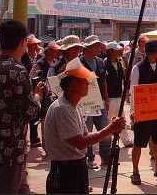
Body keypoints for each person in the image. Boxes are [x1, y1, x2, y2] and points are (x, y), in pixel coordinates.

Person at [43, 57, 125, 194]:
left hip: (75, 169)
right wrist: (109, 129)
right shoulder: (62, 108)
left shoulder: (73, 106)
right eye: (84, 80)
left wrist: (111, 128)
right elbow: (80, 142)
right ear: (73, 85)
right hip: (65, 172)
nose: (88, 83)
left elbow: (85, 136)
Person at [0, 20, 42, 194]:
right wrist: (37, 96)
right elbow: (31, 111)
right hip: (10, 151)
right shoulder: (17, 70)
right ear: (22, 42)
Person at [130, 39, 157, 185]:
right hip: (143, 113)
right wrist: (133, 110)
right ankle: (135, 172)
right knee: (139, 143)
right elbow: (133, 89)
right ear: (153, 52)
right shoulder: (138, 68)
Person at [80, 35, 111, 169]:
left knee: (104, 127)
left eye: (98, 45)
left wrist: (106, 98)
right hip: (85, 102)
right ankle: (89, 158)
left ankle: (106, 156)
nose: (97, 48)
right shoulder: (79, 63)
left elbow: (104, 80)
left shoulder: (100, 61)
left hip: (99, 101)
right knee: (87, 130)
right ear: (87, 47)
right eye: (94, 46)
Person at [104, 41, 133, 147]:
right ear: (110, 51)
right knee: (109, 120)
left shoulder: (120, 62)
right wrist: (106, 99)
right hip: (110, 97)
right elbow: (104, 82)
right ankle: (109, 142)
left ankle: (126, 140)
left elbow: (124, 78)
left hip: (118, 95)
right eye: (116, 50)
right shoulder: (105, 64)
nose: (119, 51)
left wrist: (125, 94)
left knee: (121, 118)